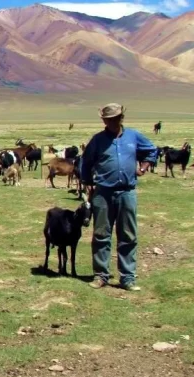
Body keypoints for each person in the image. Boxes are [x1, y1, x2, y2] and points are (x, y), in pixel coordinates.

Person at [80, 103, 157, 291]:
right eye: (109, 119)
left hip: (127, 192)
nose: (112, 121)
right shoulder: (97, 140)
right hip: (103, 193)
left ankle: (128, 278)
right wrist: (88, 182)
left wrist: (144, 167)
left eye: (116, 118)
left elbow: (152, 150)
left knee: (128, 235)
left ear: (121, 118)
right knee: (101, 235)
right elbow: (86, 162)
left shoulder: (133, 136)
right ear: (104, 120)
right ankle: (101, 276)